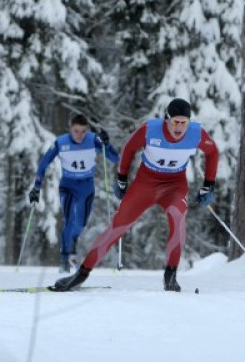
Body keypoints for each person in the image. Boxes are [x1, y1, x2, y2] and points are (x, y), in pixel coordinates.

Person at [51, 98, 219, 292]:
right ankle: (81, 274)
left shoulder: (196, 133)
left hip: (175, 186)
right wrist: (121, 178)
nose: (180, 127)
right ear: (167, 119)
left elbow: (213, 152)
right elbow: (129, 148)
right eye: (176, 121)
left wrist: (208, 185)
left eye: (184, 122)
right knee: (118, 225)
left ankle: (171, 276)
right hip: (146, 183)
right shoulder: (150, 129)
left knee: (178, 219)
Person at [29, 114, 120, 273]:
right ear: (70, 128)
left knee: (81, 223)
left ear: (87, 130)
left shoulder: (93, 140)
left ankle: (72, 245)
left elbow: (115, 158)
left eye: (83, 131)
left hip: (87, 186)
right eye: (76, 131)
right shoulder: (60, 142)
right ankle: (64, 259)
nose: (80, 135)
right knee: (69, 220)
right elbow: (44, 164)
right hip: (68, 186)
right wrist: (36, 187)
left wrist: (107, 143)